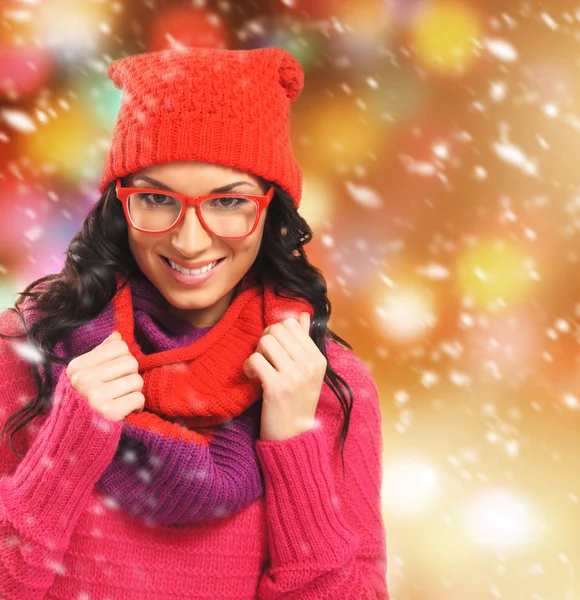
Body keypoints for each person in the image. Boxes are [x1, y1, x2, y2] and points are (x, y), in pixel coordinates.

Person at [0, 46, 389, 599]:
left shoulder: (328, 390)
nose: (189, 240)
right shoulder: (27, 354)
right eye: (157, 198)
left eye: (229, 203)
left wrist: (294, 444)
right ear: (118, 205)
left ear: (271, 208)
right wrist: (66, 449)